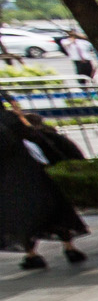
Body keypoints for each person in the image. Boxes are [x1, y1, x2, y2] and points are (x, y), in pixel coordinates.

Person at [0, 108, 88, 269]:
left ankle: (32, 255)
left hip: (6, 178)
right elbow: (32, 135)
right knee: (54, 207)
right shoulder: (10, 117)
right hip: (31, 170)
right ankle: (69, 247)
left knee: (18, 215)